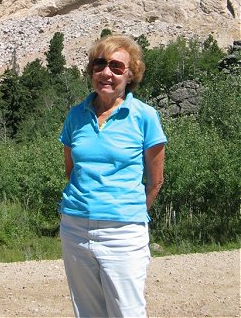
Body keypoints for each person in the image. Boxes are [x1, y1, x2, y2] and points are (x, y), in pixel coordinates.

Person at [59, 34, 166, 318]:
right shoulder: (75, 116)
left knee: (127, 312)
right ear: (91, 70)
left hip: (123, 232)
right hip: (75, 227)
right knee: (88, 312)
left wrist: (129, 213)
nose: (107, 72)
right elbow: (72, 172)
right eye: (100, 64)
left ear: (131, 74)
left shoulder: (145, 116)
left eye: (117, 67)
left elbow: (155, 181)